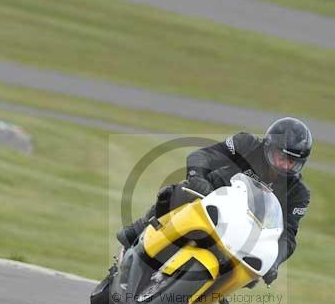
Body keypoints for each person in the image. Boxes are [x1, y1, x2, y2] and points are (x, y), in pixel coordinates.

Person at [116, 117, 311, 285]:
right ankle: (140, 229)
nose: (285, 164)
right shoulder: (246, 144)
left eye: (292, 161)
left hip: (244, 232)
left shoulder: (299, 193)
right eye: (281, 157)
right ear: (269, 146)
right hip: (211, 200)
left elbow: (288, 235)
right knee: (180, 191)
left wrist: (275, 262)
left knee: (252, 274)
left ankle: (202, 294)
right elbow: (203, 156)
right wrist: (198, 178)